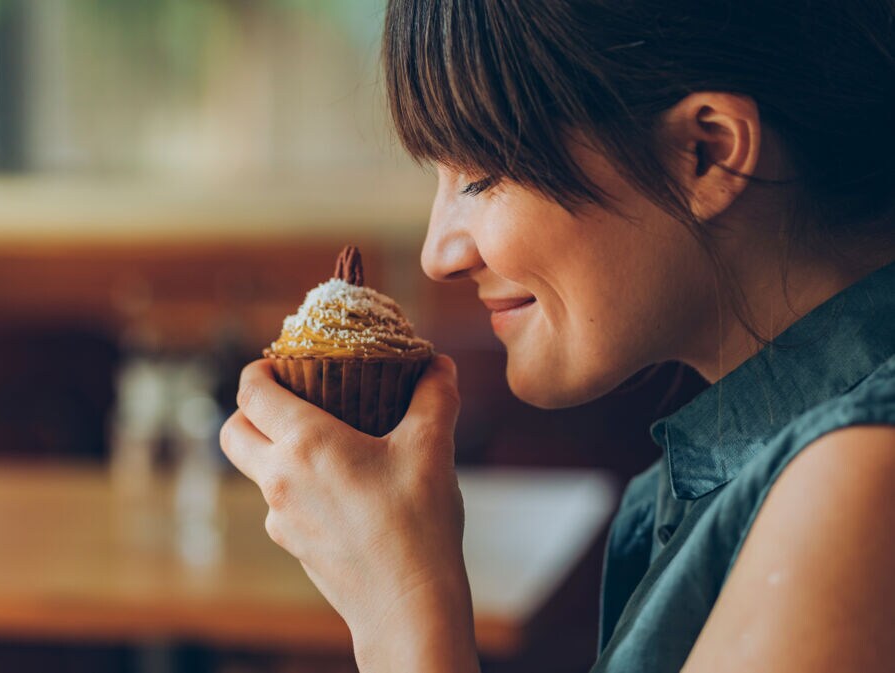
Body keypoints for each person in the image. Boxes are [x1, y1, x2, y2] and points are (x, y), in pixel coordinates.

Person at [220, 0, 895, 670]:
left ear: (707, 153)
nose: (439, 254)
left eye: (482, 174)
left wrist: (401, 604)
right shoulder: (748, 461)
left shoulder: (863, 485)